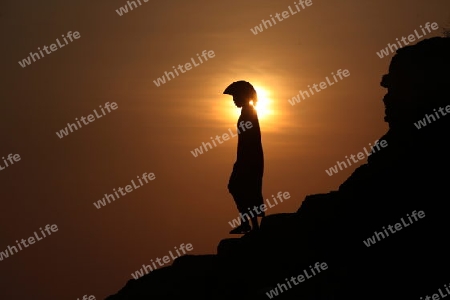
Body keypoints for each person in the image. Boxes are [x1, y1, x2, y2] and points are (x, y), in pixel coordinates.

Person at [223, 81, 265, 234]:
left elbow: (250, 139)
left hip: (249, 157)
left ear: (243, 96)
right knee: (244, 187)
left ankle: (250, 224)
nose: (234, 100)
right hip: (247, 156)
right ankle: (250, 224)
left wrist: (243, 160)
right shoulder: (248, 112)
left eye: (235, 96)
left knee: (240, 187)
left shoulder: (249, 112)